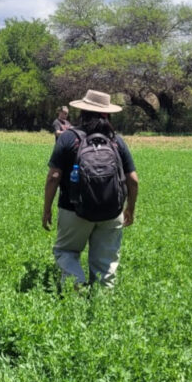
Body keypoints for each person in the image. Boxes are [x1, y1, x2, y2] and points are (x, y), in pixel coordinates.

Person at [42, 90, 139, 290]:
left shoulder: (69, 137)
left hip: (73, 210)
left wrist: (46, 208)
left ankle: (75, 284)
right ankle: (102, 305)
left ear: (82, 112)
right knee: (106, 263)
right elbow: (133, 180)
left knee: (66, 252)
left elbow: (53, 177)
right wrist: (130, 208)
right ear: (107, 114)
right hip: (112, 211)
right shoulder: (116, 140)